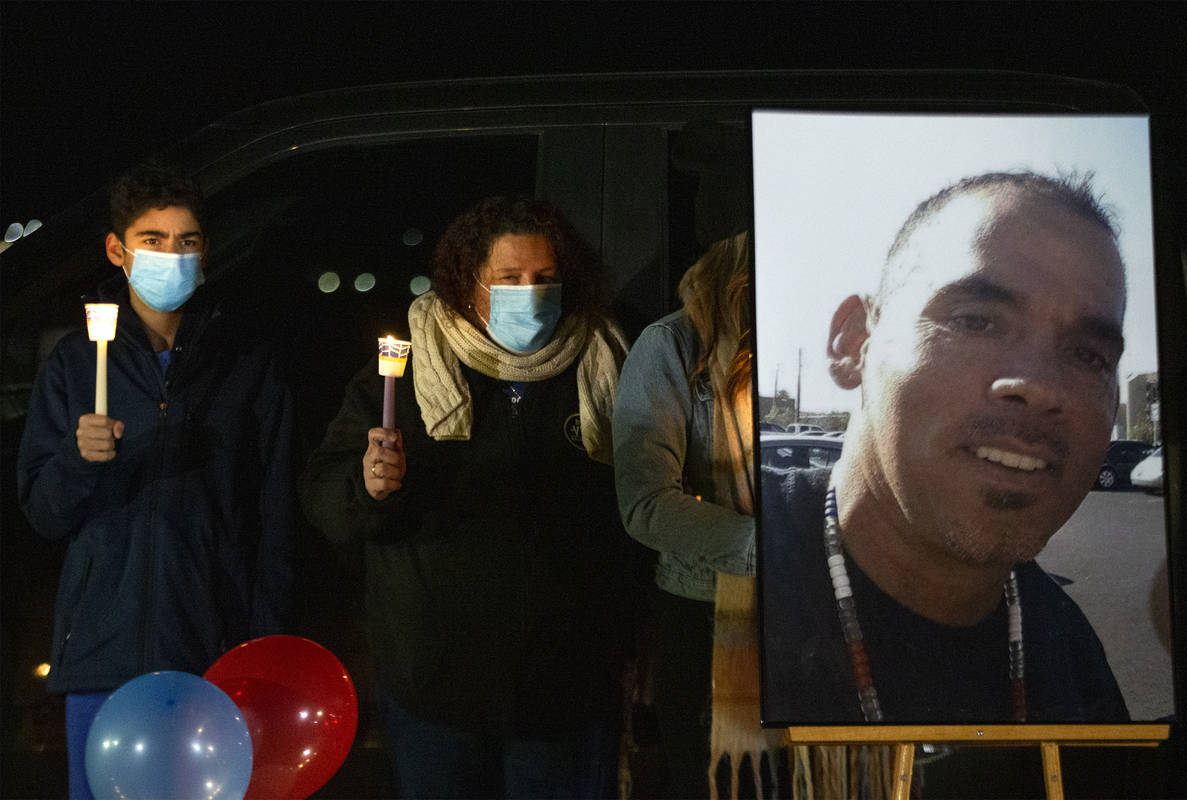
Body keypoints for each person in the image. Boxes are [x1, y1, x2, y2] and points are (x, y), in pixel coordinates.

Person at [298, 195, 639, 799]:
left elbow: (635, 513)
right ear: (467, 284)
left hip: (566, 691)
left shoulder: (606, 359)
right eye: (508, 280)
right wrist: (369, 486)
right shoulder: (403, 371)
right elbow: (327, 495)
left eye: (544, 278)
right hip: (436, 693)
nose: (530, 293)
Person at [760, 171, 1131, 724]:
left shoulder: (1073, 662)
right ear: (855, 341)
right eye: (975, 321)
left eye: (1089, 356)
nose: (1041, 386)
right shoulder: (725, 574)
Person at [16, 161, 299, 799]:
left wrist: (263, 649)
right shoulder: (75, 361)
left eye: (187, 241)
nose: (170, 255)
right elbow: (43, 511)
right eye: (153, 240)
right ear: (118, 250)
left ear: (205, 254)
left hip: (213, 651)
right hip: (100, 656)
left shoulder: (247, 359)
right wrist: (77, 461)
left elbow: (276, 514)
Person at [612, 121, 786, 800]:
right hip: (708, 617)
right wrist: (770, 548)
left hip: (813, 617)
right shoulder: (669, 350)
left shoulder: (813, 343)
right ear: (731, 262)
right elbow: (645, 501)